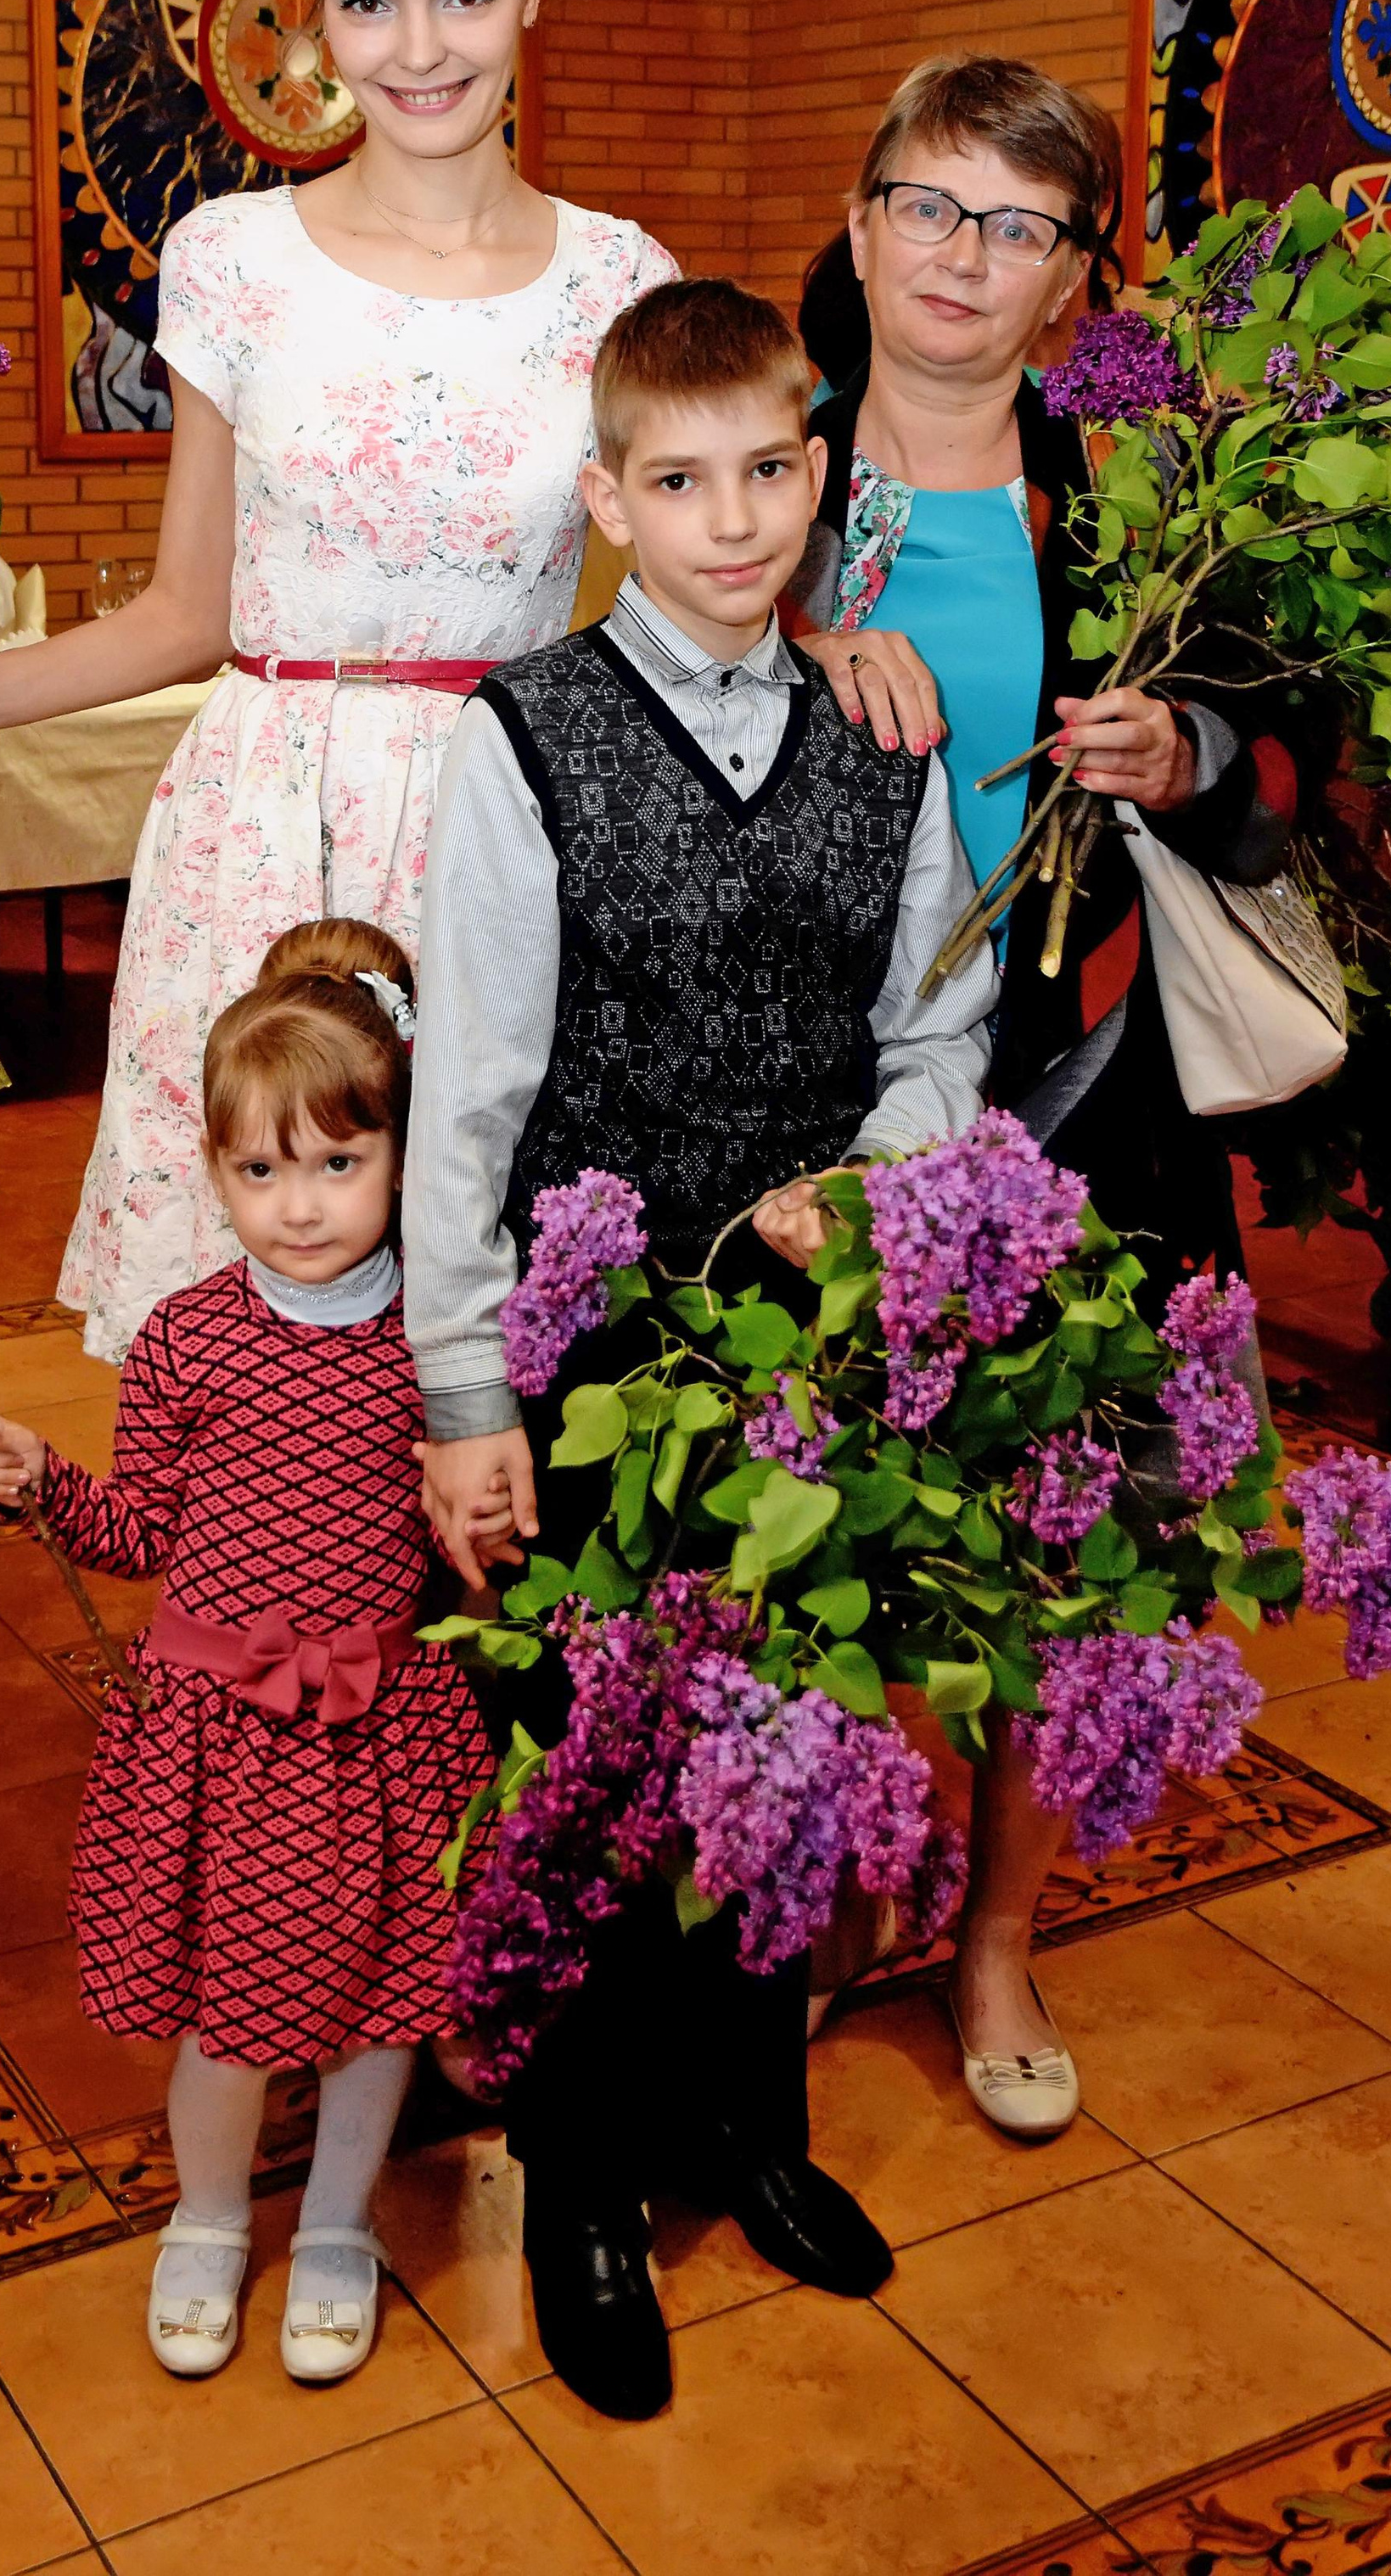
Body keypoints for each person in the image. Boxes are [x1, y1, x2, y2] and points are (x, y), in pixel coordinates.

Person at [0, 0, 678, 1359]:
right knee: (261, 1338)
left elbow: (680, 608)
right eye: (369, 1)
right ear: (313, 14)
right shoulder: (231, 257)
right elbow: (189, 608)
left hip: (504, 817)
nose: (419, 47)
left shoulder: (621, 280)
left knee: (485, 1313)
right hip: (257, 832)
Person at [401, 276, 996, 2420]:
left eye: (765, 471)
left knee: (785, 1737)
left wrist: (884, 1175)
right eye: (676, 482)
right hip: (586, 1360)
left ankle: (751, 2120)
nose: (728, 520)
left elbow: (941, 1028)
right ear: (606, 496)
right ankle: (574, 2174)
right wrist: (465, 1400)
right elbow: (466, 1092)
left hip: (809, 1349)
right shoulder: (524, 734)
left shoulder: (880, 729)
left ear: (816, 473)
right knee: (588, 1769)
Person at [783, 52, 1308, 2142]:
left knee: (1056, 1538)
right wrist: (785, 645)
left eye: (1015, 226)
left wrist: (1185, 745)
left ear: (1072, 278)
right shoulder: (766, 467)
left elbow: (1278, 759)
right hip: (811, 1099)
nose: (960, 257)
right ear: (857, 224)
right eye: (926, 205)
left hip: (1081, 1079)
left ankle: (995, 1932)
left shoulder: (1131, 499)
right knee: (808, 1513)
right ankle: (817, 1888)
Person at [0, 920, 491, 2386]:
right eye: (260, 1171)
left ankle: (338, 2223)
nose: (300, 1206)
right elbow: (138, 1529)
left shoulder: (441, 1347)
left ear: (403, 1155)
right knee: (228, 2005)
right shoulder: (188, 1340)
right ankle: (205, 2218)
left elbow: (472, 1529)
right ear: (213, 1173)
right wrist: (45, 1488)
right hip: (221, 1740)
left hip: (390, 1728)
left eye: (338, 1164)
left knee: (383, 1999)